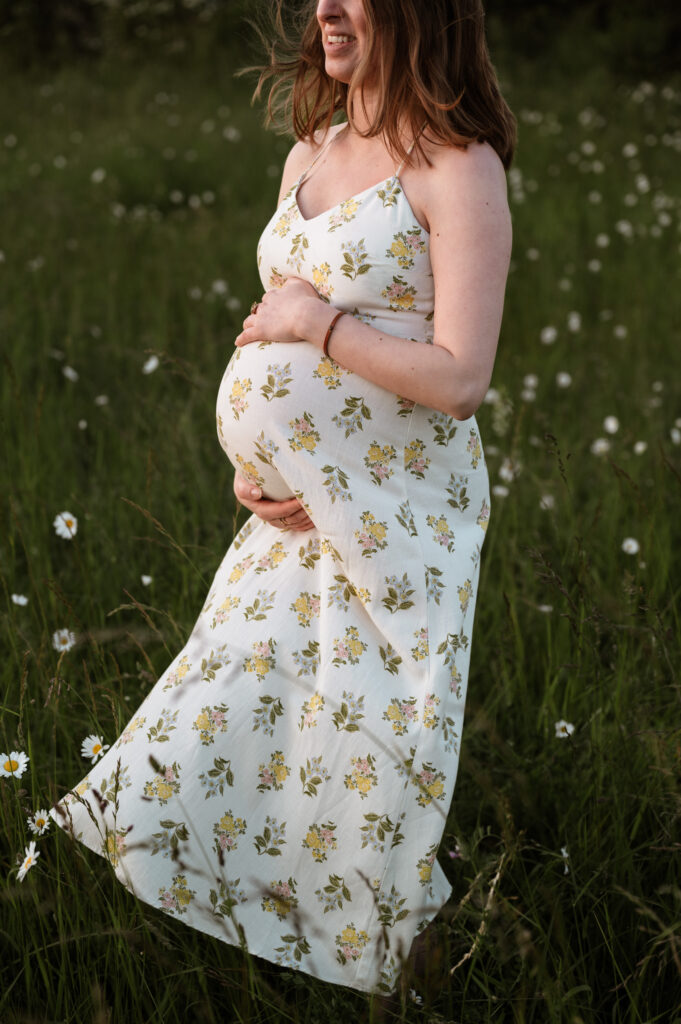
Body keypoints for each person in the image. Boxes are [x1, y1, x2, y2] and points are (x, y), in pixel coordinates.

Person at [49, 0, 515, 997]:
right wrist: (259, 460)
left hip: (398, 518)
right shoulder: (312, 147)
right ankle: (266, 939)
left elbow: (461, 376)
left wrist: (318, 325)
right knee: (236, 708)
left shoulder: (456, 170)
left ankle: (432, 969)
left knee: (369, 745)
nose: (325, 9)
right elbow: (270, 329)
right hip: (296, 518)